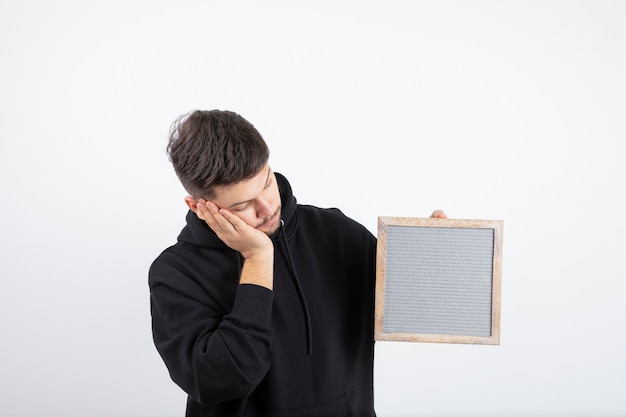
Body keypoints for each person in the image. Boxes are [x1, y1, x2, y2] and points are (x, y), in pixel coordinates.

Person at [149, 109, 446, 417]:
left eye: (266, 183)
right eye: (242, 204)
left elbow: (408, 312)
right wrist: (258, 259)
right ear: (199, 206)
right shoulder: (175, 274)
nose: (266, 208)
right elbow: (220, 381)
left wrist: (428, 259)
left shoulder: (336, 232)